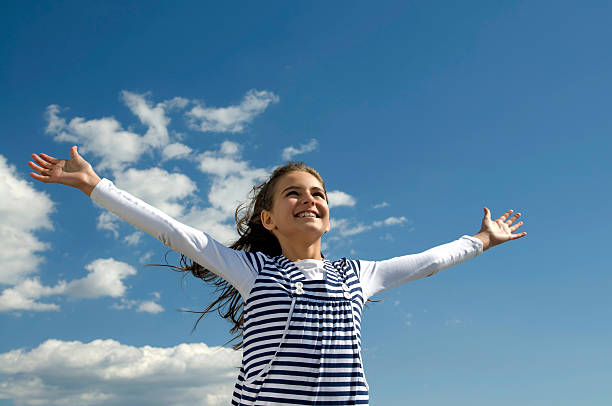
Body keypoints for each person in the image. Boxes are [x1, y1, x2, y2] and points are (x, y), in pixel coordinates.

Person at [28, 146, 526, 406]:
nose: (308, 198)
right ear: (268, 219)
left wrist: (481, 240)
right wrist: (96, 185)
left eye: (318, 193)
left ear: (328, 215)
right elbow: (171, 231)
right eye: (293, 193)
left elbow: (427, 261)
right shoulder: (252, 270)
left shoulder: (358, 274)